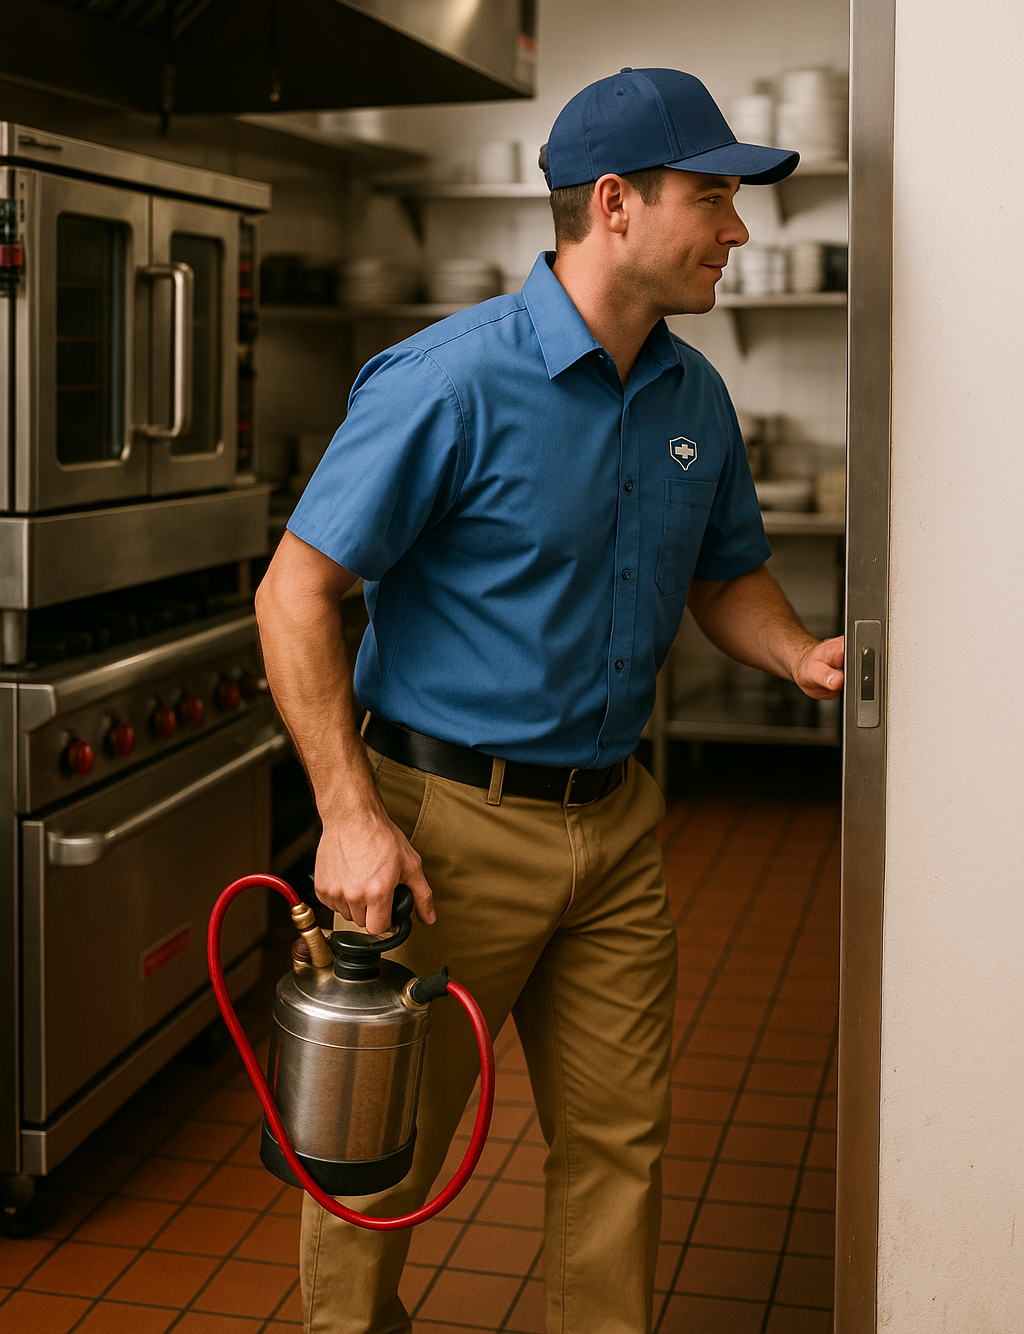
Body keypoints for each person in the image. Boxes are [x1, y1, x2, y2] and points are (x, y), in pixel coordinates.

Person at [256, 67, 844, 1334]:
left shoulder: (694, 396)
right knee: (384, 1152)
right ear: (617, 205)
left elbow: (724, 574)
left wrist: (797, 654)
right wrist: (349, 816)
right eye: (715, 197)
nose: (740, 230)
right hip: (441, 833)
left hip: (618, 825)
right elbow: (295, 593)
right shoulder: (446, 380)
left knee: (620, 1146)